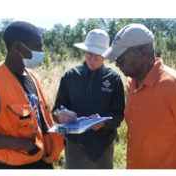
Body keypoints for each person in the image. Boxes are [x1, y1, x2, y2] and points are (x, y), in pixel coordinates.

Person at [0, 21, 64, 170]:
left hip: (41, 161)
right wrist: (23, 144)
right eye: (38, 46)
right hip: (9, 166)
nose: (42, 51)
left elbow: (38, 118)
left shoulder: (32, 77)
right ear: (17, 46)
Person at [101, 23, 176, 170]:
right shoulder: (132, 84)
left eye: (121, 59)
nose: (117, 65)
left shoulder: (175, 86)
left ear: (143, 53)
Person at [51, 29, 126, 170]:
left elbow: (119, 115)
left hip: (102, 147)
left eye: (98, 56)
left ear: (105, 55)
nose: (92, 60)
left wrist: (103, 123)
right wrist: (60, 115)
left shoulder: (114, 79)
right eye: (89, 55)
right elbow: (57, 108)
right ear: (84, 52)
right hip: (75, 146)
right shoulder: (70, 76)